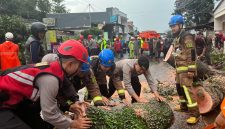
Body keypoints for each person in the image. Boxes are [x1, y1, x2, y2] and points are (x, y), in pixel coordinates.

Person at [0, 40, 92, 129]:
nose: (79, 69)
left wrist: (75, 101)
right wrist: (73, 124)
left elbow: (66, 86)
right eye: (79, 65)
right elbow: (49, 114)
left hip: (17, 102)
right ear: (70, 64)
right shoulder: (51, 80)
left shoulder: (54, 68)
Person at [42, 54, 109, 108]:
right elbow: (60, 94)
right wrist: (70, 105)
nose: (83, 75)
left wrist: (98, 102)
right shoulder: (64, 73)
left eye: (85, 72)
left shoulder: (88, 72)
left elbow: (93, 86)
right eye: (81, 72)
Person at [169, 15, 199, 124]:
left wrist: (191, 69)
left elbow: (191, 53)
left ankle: (195, 114)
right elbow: (178, 52)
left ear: (181, 25)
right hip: (179, 69)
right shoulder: (178, 37)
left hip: (186, 69)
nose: (172, 28)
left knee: (187, 90)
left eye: (174, 26)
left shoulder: (186, 36)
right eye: (171, 26)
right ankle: (183, 106)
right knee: (179, 88)